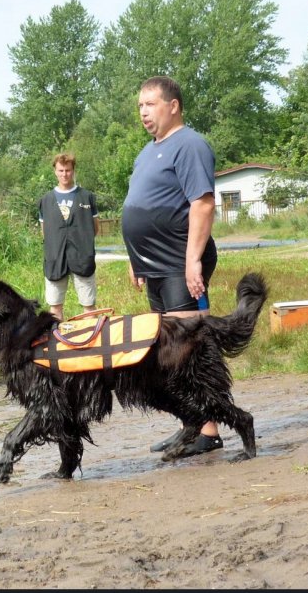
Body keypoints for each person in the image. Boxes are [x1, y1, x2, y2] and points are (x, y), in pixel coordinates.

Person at [121, 76, 222, 458]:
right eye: (140, 106)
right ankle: (191, 424)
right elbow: (140, 205)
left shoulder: (190, 144)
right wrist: (137, 259)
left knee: (188, 352)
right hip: (156, 264)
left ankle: (209, 431)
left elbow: (203, 204)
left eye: (150, 104)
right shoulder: (149, 151)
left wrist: (193, 260)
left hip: (180, 262)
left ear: (173, 105)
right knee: (167, 353)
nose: (144, 112)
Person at [39, 153, 100, 321]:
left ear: (73, 171)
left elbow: (94, 228)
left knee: (88, 305)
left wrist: (80, 240)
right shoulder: (45, 200)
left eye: (68, 170)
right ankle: (56, 341)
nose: (64, 174)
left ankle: (92, 342)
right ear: (55, 171)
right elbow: (45, 231)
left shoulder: (87, 197)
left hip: (82, 257)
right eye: (61, 170)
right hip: (55, 259)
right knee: (55, 306)